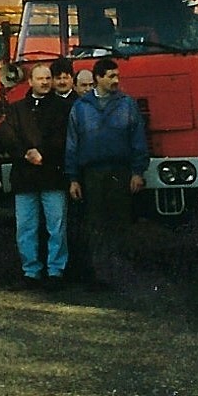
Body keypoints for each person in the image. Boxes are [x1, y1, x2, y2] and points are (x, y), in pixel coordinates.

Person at [64, 58, 149, 286]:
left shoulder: (127, 104)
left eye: (117, 76)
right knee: (96, 225)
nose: (116, 80)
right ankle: (101, 276)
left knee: (120, 223)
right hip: (92, 174)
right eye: (111, 76)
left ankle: (121, 275)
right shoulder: (80, 108)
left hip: (120, 172)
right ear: (98, 78)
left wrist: (137, 172)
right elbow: (72, 145)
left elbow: (138, 139)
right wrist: (73, 179)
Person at [0, 62, 70, 288]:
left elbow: (63, 136)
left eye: (48, 78)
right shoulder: (16, 108)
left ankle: (56, 271)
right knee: (25, 227)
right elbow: (7, 135)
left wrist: (42, 153)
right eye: (40, 78)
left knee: (56, 226)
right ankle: (30, 271)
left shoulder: (62, 107)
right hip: (25, 175)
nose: (45, 82)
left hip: (52, 174)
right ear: (30, 81)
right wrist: (25, 154)